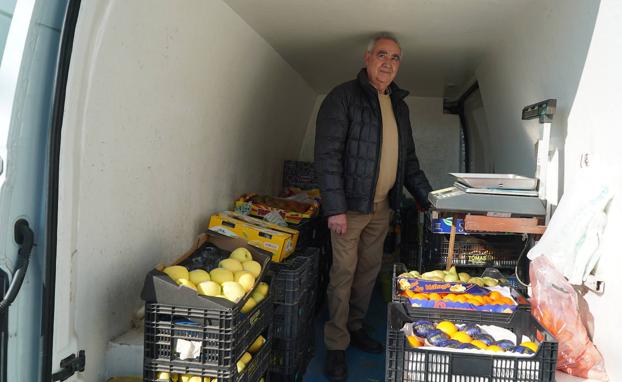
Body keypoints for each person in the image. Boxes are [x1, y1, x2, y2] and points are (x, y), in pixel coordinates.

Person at [314, 32, 432, 381]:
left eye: (395, 58)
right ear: (367, 58)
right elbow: (327, 156)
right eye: (382, 55)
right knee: (343, 274)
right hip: (348, 208)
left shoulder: (399, 104)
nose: (388, 63)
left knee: (367, 272)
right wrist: (334, 208)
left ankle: (356, 326)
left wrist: (425, 197)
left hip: (381, 208)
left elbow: (407, 159)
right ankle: (336, 344)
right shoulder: (343, 98)